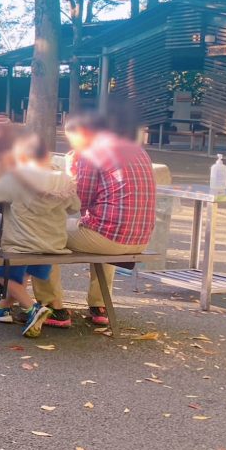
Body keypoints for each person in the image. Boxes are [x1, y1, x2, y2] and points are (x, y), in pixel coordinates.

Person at [0, 130, 80, 336]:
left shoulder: (17, 178)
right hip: (52, 245)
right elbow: (74, 206)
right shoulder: (63, 179)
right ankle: (2, 307)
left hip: (22, 245)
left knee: (3, 275)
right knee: (20, 274)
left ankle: (33, 309)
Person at [57, 112, 157, 326]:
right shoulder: (137, 150)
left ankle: (51, 305)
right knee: (104, 227)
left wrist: (69, 168)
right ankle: (99, 304)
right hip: (140, 239)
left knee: (44, 233)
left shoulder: (91, 152)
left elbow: (77, 202)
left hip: (109, 239)